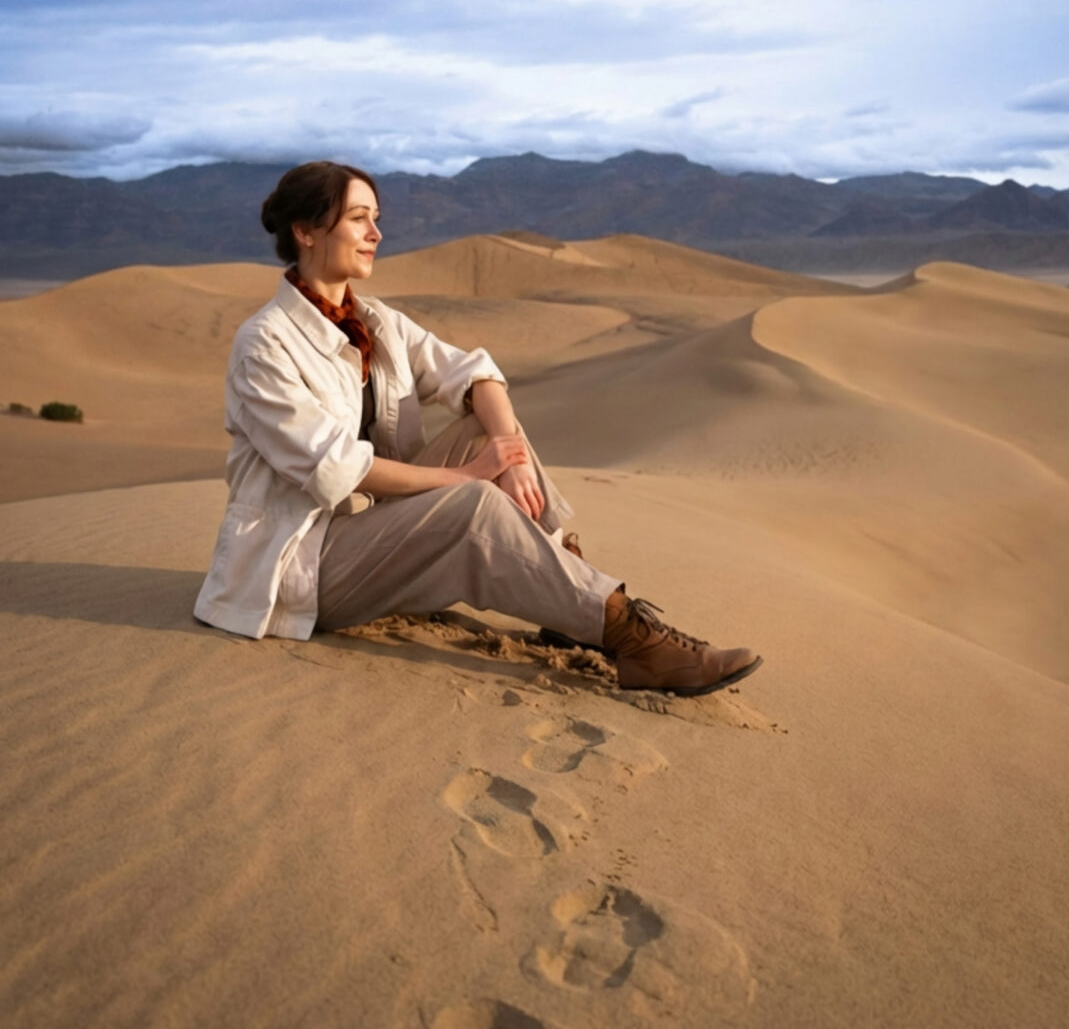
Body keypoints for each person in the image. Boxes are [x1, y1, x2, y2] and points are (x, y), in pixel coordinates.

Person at [194, 161, 761, 695]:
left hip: (373, 533)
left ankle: (570, 591)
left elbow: (476, 374)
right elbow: (337, 470)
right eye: (358, 218)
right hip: (302, 564)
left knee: (488, 430)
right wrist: (467, 478)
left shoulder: (376, 323)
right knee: (473, 502)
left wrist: (504, 460)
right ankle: (630, 639)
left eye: (377, 219)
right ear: (306, 232)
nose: (376, 234)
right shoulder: (264, 344)